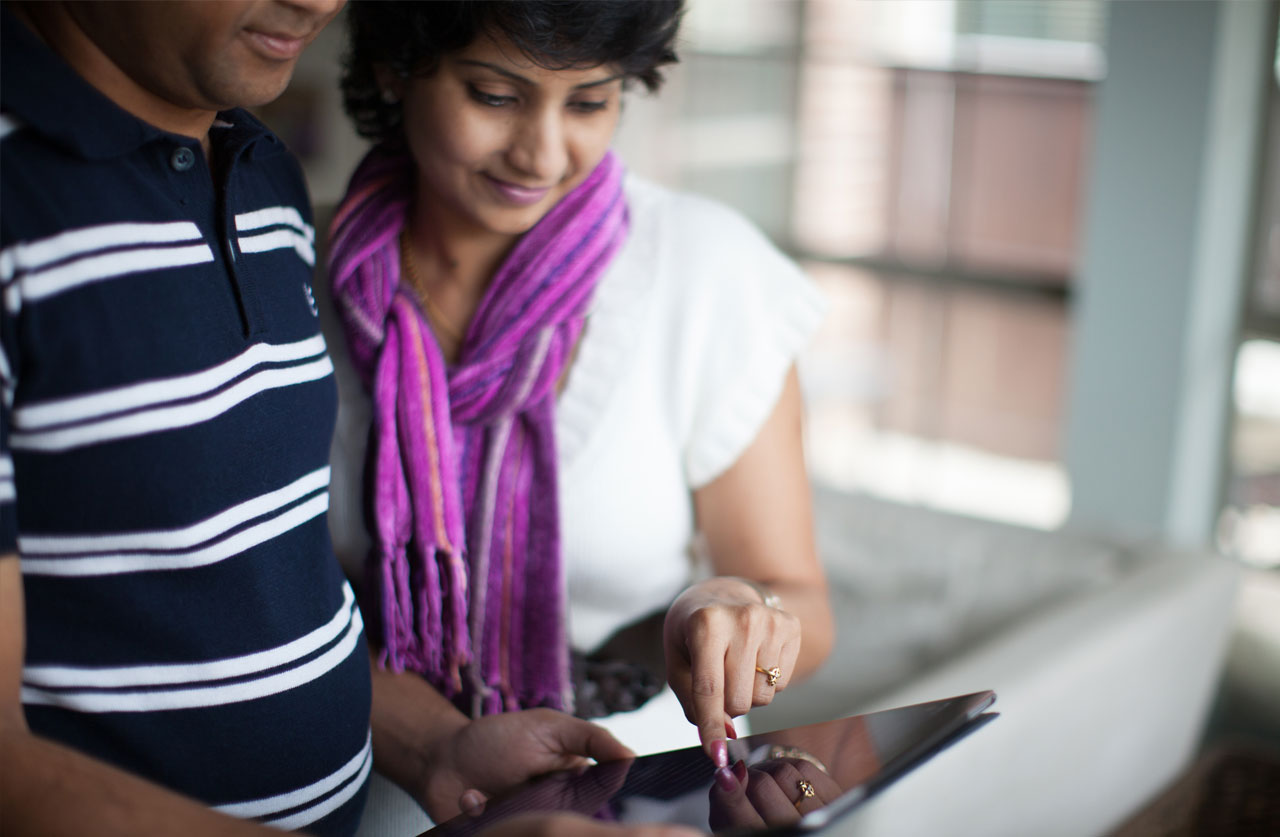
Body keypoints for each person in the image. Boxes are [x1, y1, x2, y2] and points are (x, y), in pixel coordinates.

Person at [0, 3, 701, 836]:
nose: (322, 0)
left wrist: (438, 746)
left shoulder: (262, 177)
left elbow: (262, 590)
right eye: (494, 92)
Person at [322, 0, 834, 830]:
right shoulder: (287, 274)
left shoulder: (708, 276)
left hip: (631, 795)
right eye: (494, 95)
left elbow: (799, 597)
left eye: (590, 102)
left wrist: (739, 616)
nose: (543, 151)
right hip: (361, 793)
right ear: (394, 70)